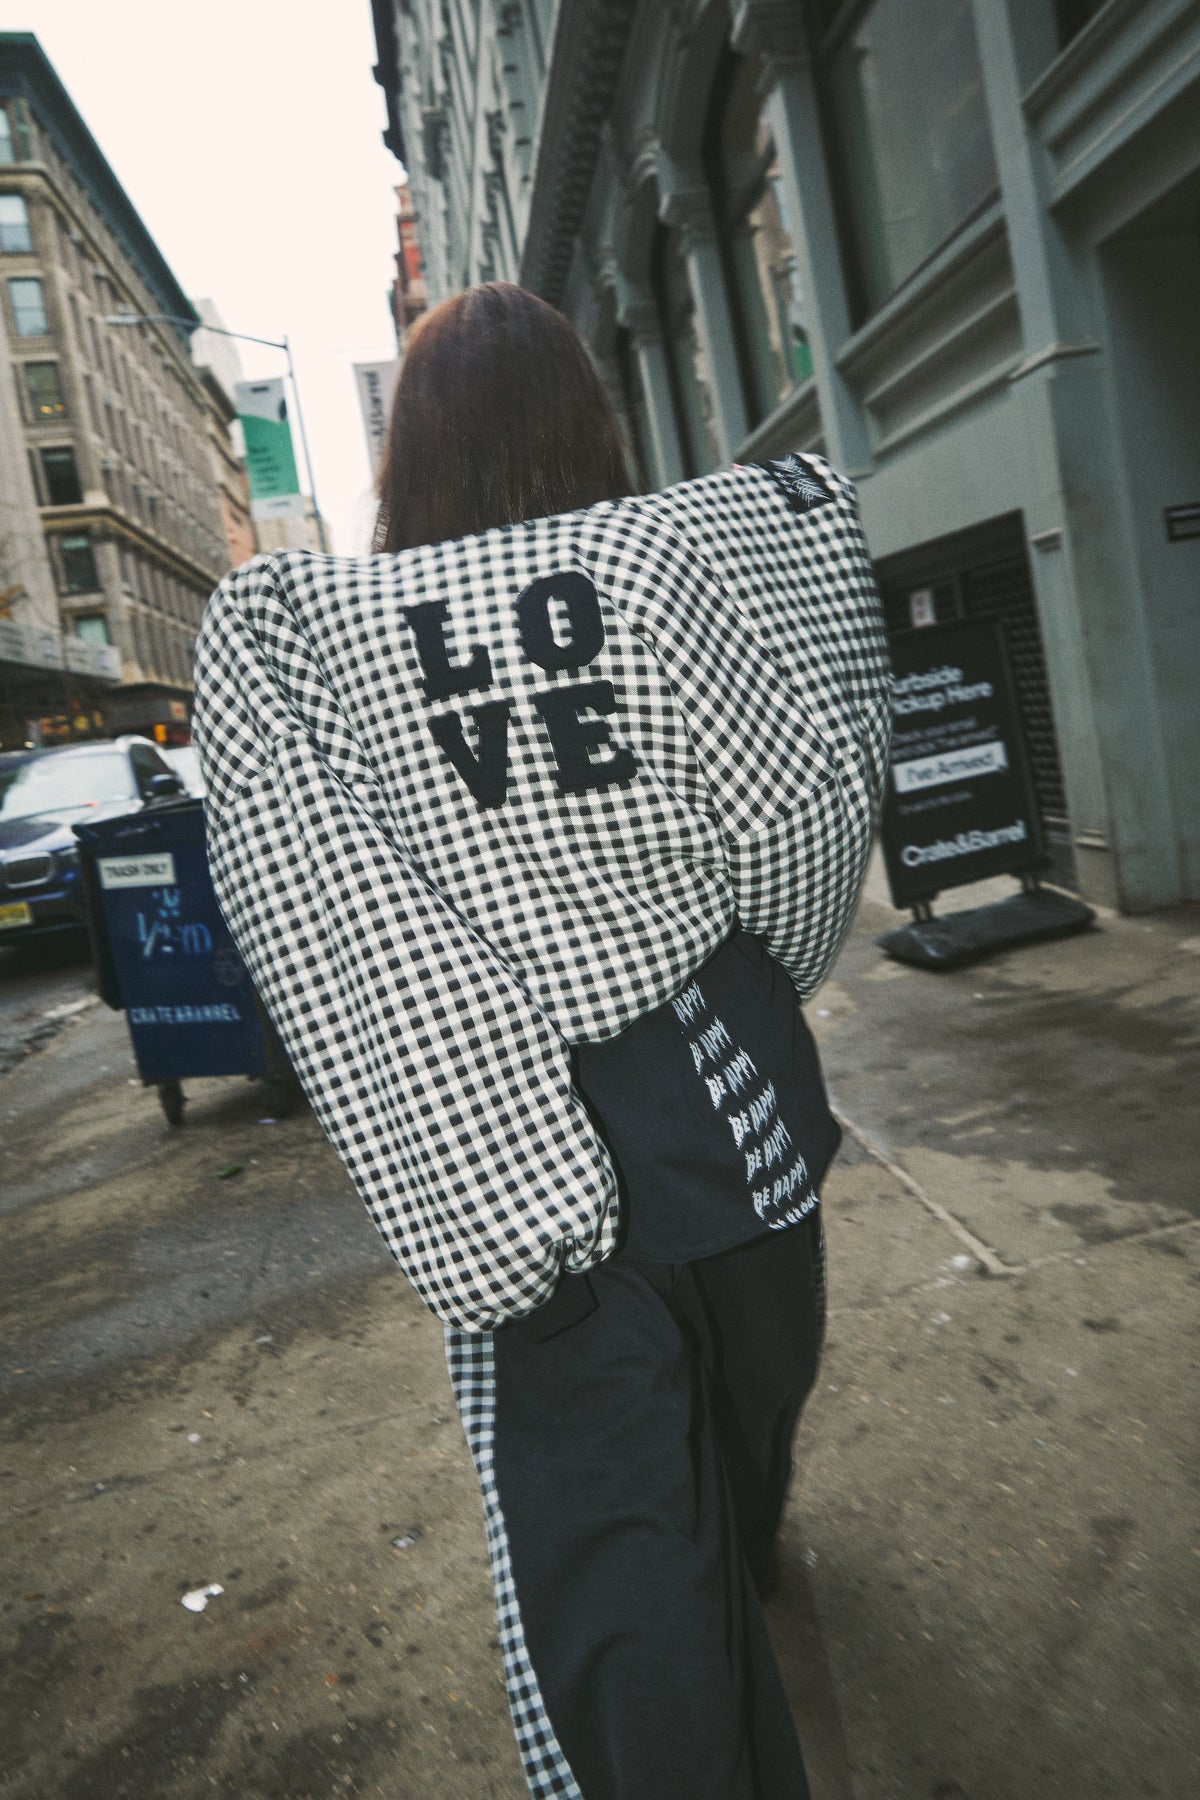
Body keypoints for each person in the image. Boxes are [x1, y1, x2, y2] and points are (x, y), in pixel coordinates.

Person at [193, 282, 891, 1799]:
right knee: (755, 1397)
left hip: (494, 1140)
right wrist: (756, 970)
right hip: (725, 1101)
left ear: (410, 455)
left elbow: (308, 892)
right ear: (591, 419)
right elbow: (801, 821)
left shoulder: (325, 648)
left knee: (620, 1559)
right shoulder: (666, 568)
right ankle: (749, 1543)